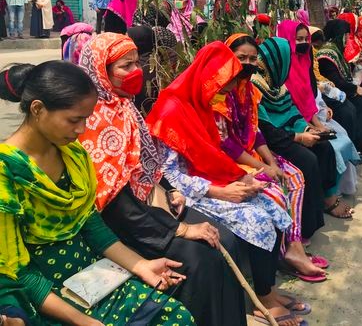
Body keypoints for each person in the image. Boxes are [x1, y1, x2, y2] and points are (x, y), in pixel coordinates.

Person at [0, 61, 193, 325]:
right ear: (38, 109)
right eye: (74, 120)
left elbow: (91, 225)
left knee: (175, 317)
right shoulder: (6, 172)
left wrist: (141, 265)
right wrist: (84, 321)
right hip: (44, 295)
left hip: (91, 279)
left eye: (86, 119)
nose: (81, 130)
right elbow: (17, 270)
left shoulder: (74, 156)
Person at [76, 32, 246, 326]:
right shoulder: (94, 118)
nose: (135, 72)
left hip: (149, 206)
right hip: (121, 223)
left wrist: (171, 191)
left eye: (136, 63)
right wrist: (178, 229)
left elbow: (147, 165)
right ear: (101, 70)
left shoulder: (123, 105)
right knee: (197, 259)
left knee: (225, 239)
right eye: (124, 66)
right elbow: (113, 200)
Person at [146, 42, 311, 326]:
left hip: (208, 180)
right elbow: (166, 174)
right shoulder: (171, 110)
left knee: (270, 206)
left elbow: (214, 154)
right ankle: (264, 302)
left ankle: (267, 290)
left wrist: (240, 178)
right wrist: (221, 190)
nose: (224, 93)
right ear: (206, 77)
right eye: (222, 86)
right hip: (186, 191)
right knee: (256, 218)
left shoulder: (201, 105)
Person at [221, 33, 329, 278]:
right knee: (279, 184)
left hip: (251, 151)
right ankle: (287, 253)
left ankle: (295, 246)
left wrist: (270, 161)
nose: (247, 64)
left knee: (296, 176)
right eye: (241, 58)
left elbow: (256, 129)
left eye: (252, 59)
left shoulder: (246, 88)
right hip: (230, 158)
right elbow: (226, 143)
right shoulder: (221, 91)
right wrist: (266, 165)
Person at [252, 37, 340, 225]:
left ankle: (327, 201)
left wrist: (308, 128)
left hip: (288, 132)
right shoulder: (255, 85)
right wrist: (299, 137)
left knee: (325, 147)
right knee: (308, 160)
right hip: (273, 140)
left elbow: (292, 111)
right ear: (278, 61)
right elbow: (265, 128)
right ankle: (306, 223)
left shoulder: (277, 84)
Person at [277, 21, 360, 211]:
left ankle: (335, 191)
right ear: (287, 39)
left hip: (310, 116)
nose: (304, 43)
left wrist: (317, 123)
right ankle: (328, 198)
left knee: (341, 135)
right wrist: (308, 127)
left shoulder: (304, 62)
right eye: (298, 39)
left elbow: (308, 98)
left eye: (306, 39)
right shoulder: (282, 68)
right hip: (292, 124)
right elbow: (291, 106)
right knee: (327, 148)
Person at [317, 20, 362, 162]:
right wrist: (354, 88)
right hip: (331, 93)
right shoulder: (327, 53)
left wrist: (357, 68)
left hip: (339, 89)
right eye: (346, 35)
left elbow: (344, 75)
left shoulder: (335, 50)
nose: (348, 39)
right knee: (358, 107)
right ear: (339, 35)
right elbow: (334, 80)